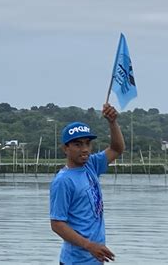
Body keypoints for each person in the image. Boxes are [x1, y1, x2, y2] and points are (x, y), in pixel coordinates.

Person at [49, 103, 125, 264]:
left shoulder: (91, 165)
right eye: (78, 144)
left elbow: (117, 148)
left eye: (87, 143)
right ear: (65, 148)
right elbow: (56, 223)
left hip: (96, 259)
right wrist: (89, 245)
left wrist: (112, 122)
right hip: (76, 261)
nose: (85, 149)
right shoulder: (63, 181)